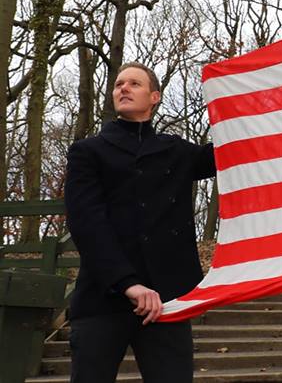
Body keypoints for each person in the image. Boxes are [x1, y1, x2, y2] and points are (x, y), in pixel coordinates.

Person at [65, 62, 216, 382]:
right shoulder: (87, 152)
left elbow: (230, 156)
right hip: (103, 298)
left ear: (155, 97)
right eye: (119, 84)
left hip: (168, 300)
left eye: (134, 83)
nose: (123, 88)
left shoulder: (175, 150)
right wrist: (128, 284)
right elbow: (86, 223)